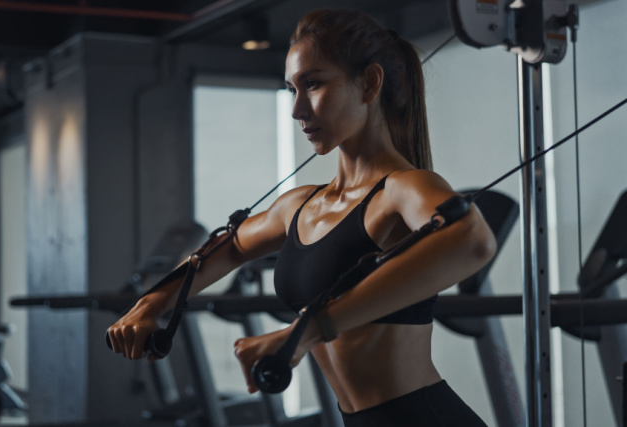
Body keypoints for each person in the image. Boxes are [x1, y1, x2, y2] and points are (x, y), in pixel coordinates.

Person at [108, 8, 495, 427]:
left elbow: (472, 239)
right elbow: (231, 246)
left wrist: (309, 329)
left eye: (312, 84)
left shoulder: (404, 189)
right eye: (291, 88)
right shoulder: (300, 206)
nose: (296, 109)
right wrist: (151, 304)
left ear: (369, 82)